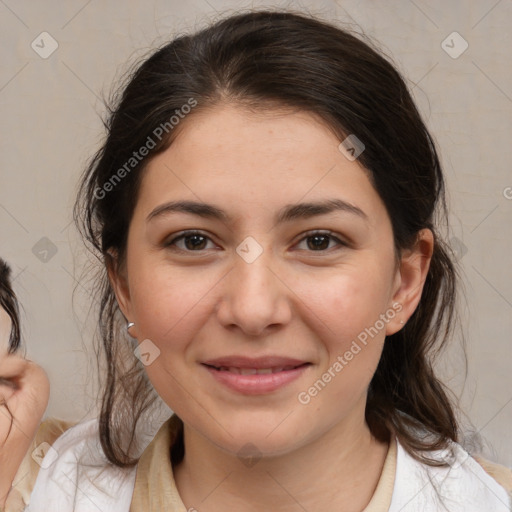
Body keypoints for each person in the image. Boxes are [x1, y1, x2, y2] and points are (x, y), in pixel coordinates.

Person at [1, 9, 511, 512]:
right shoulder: (23, 485)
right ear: (125, 283)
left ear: (404, 282)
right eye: (194, 241)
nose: (251, 309)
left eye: (318, 241)